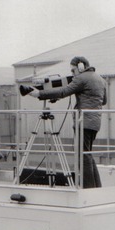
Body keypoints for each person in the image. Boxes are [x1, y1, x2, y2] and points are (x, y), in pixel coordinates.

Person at [28, 56, 107, 188]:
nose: (72, 74)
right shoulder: (101, 79)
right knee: (87, 153)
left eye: (73, 70)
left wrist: (40, 93)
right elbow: (103, 101)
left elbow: (64, 91)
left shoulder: (81, 78)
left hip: (83, 121)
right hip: (95, 122)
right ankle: (96, 186)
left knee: (82, 156)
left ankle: (89, 188)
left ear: (81, 67)